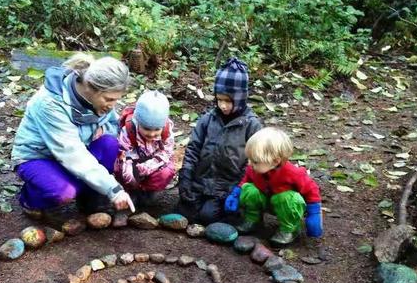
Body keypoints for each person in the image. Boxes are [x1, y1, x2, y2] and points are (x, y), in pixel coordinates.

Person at [11, 53, 135, 217]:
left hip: (77, 152)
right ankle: (30, 198)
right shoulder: (50, 103)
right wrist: (114, 190)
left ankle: (89, 199)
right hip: (38, 157)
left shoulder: (101, 98)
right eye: (109, 99)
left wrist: (104, 130)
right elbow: (72, 154)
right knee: (64, 192)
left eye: (116, 99)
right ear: (90, 86)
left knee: (109, 144)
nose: (113, 105)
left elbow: (113, 126)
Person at [177, 57, 263, 224]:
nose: (223, 105)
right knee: (185, 210)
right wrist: (186, 175)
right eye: (219, 99)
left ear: (239, 98)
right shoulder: (209, 119)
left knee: (208, 216)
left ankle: (241, 212)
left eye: (228, 101)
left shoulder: (251, 125)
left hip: (229, 185)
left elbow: (254, 163)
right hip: (202, 181)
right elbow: (193, 148)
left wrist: (237, 189)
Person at [224, 127, 323, 245]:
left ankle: (289, 229)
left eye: (255, 161)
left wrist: (314, 213)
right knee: (250, 190)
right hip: (266, 200)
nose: (249, 164)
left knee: (287, 198)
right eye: (249, 159)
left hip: (283, 206)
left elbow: (311, 190)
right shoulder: (254, 169)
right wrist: (236, 194)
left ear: (275, 161)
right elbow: (246, 179)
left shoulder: (293, 173)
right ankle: (253, 219)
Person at [114, 90, 175, 205]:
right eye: (146, 129)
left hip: (154, 162)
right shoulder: (128, 130)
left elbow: (166, 153)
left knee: (167, 170)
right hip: (133, 162)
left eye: (157, 129)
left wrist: (146, 167)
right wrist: (132, 177)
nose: (152, 134)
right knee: (123, 170)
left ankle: (148, 190)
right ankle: (130, 191)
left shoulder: (167, 130)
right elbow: (123, 156)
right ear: (138, 122)